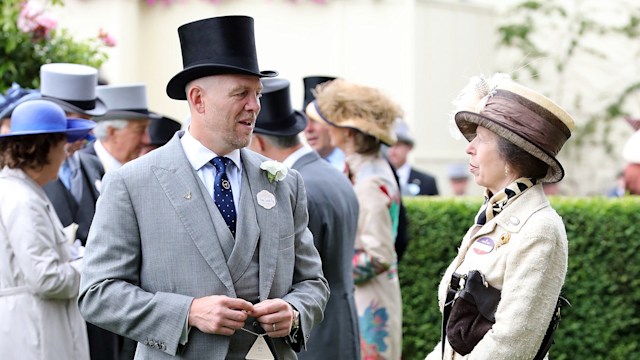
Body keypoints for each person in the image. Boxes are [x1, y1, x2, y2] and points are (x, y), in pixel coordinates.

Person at [78, 15, 329, 360]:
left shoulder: (285, 182)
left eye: (257, 94)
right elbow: (98, 293)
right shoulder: (131, 183)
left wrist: (295, 311)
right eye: (241, 94)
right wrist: (188, 312)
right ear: (198, 99)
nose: (255, 106)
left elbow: (313, 282)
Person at [424, 73, 575, 359]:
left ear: (510, 155)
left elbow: (511, 344)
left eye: (480, 139)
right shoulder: (494, 215)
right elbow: (453, 338)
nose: (469, 148)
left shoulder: (539, 228)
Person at [250, 78, 361, 360]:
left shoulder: (294, 187)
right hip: (342, 319)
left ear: (258, 141)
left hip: (314, 328)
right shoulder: (332, 174)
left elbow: (295, 272)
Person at [306, 78, 403, 359]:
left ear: (348, 133)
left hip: (369, 306)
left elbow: (379, 255)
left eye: (332, 123)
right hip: (362, 298)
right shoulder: (365, 171)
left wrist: (324, 269)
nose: (325, 128)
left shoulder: (370, 181)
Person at [0, 100, 95, 360]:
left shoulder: (23, 192)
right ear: (42, 148)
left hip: (34, 326)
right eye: (62, 145)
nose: (66, 154)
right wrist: (90, 264)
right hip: (34, 335)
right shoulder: (22, 199)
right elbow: (46, 279)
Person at [83, 84, 156, 172]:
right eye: (140, 130)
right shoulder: (81, 169)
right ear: (112, 132)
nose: (147, 140)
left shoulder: (141, 170)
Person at [302, 76, 347, 172]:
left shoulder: (355, 165)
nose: (308, 129)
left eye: (315, 120)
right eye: (305, 120)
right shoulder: (303, 168)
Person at [387, 120, 439, 196]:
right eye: (389, 145)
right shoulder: (379, 178)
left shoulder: (427, 182)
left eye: (398, 145)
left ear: (409, 147)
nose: (392, 151)